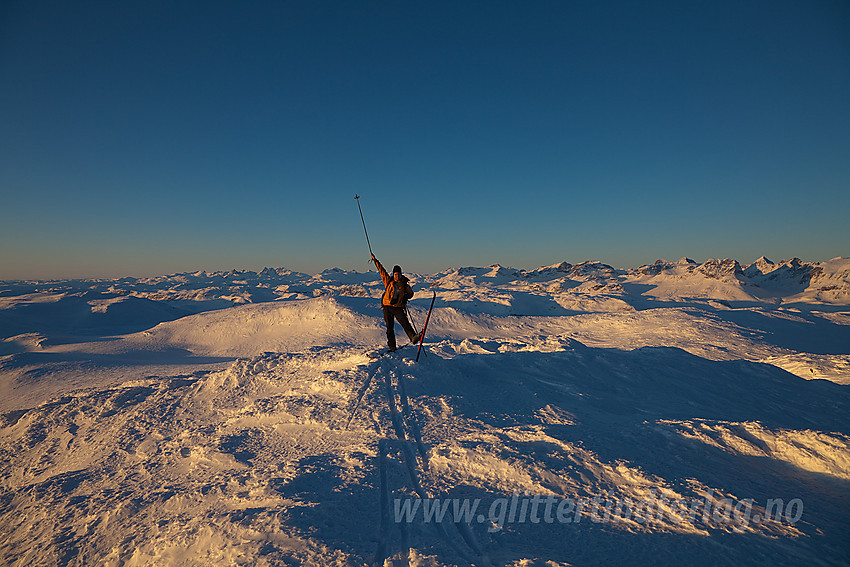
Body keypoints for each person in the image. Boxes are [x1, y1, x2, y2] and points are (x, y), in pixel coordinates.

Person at [371, 254, 421, 351]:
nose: (396, 276)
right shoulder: (388, 281)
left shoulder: (404, 284)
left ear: (401, 274)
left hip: (398, 307)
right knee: (389, 328)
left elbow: (411, 293)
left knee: (404, 322)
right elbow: (381, 270)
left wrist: (406, 297)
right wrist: (375, 260)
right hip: (387, 307)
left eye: (398, 274)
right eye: (395, 274)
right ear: (393, 274)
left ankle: (413, 337)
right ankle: (392, 346)